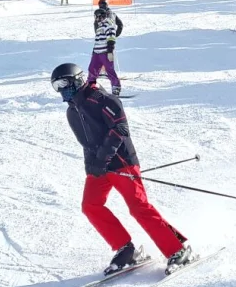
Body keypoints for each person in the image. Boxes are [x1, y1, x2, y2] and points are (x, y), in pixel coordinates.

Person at [50, 62, 194, 275]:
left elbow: (120, 128)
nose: (61, 89)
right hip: (98, 168)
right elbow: (86, 143)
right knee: (90, 205)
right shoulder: (72, 111)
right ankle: (126, 250)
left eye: (63, 83)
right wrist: (92, 166)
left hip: (122, 163)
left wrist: (104, 158)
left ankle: (177, 250)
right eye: (56, 86)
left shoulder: (101, 99)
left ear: (77, 79)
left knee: (138, 208)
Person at [88, 7, 122, 95]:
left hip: (105, 52)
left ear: (100, 16)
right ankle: (91, 85)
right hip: (97, 53)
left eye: (96, 16)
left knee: (109, 70)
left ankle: (116, 87)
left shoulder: (108, 24)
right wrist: (93, 52)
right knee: (92, 68)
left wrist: (110, 51)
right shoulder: (99, 26)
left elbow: (111, 37)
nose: (95, 18)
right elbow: (97, 40)